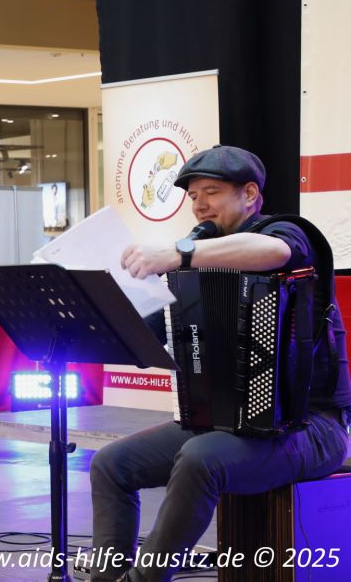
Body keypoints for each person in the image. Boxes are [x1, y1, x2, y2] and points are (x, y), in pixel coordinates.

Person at [90, 145, 351, 582]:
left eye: (211, 192)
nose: (199, 205)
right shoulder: (198, 261)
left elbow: (275, 252)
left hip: (313, 427)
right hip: (227, 425)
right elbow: (145, 338)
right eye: (193, 196)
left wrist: (180, 253)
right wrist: (107, 312)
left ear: (250, 194)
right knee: (110, 464)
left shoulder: (286, 234)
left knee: (200, 457)